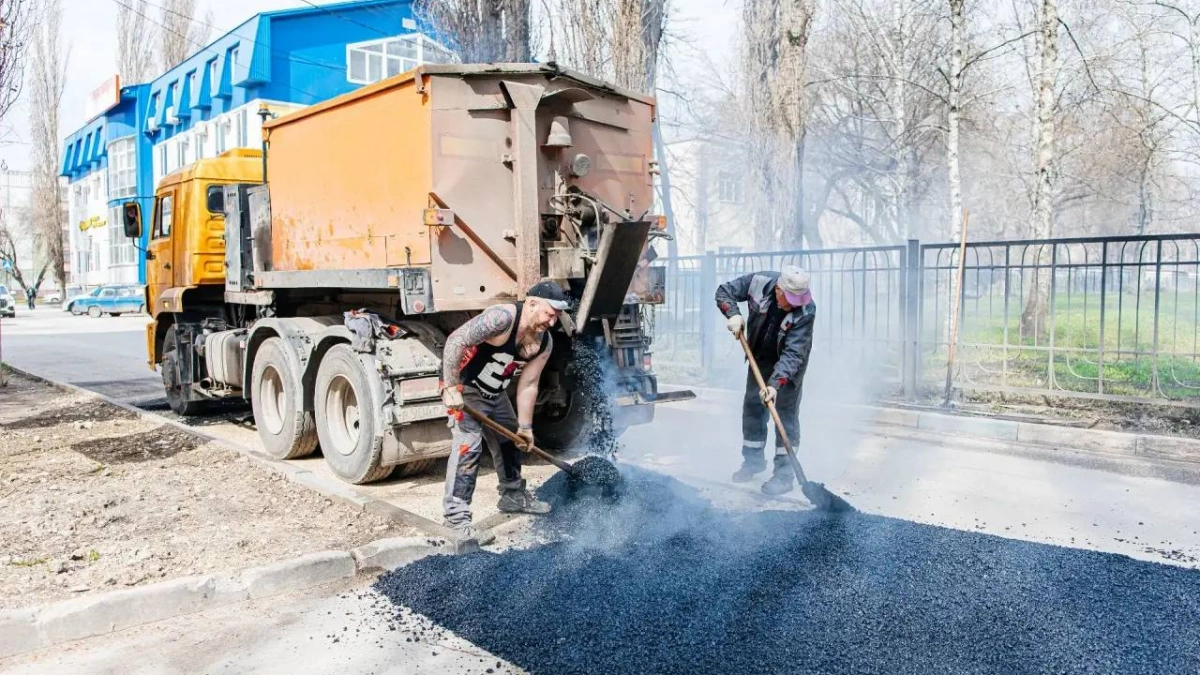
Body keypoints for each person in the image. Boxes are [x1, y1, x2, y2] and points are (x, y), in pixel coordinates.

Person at [439, 281, 571, 544]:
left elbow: (530, 384)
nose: (553, 322)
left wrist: (525, 427)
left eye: (557, 316)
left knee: (513, 440)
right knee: (469, 448)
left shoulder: (544, 342)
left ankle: (512, 495)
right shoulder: (502, 318)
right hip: (466, 390)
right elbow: (456, 341)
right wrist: (451, 387)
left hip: (495, 393)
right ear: (532, 303)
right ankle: (455, 520)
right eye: (550, 313)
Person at [714, 265, 816, 495]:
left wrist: (774, 384)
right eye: (790, 299)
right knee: (752, 408)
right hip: (759, 357)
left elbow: (794, 354)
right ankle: (752, 462)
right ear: (779, 289)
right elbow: (723, 292)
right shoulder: (758, 283)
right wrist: (733, 314)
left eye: (798, 300)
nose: (794, 305)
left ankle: (784, 475)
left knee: (785, 417)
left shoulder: (806, 311)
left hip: (789, 367)